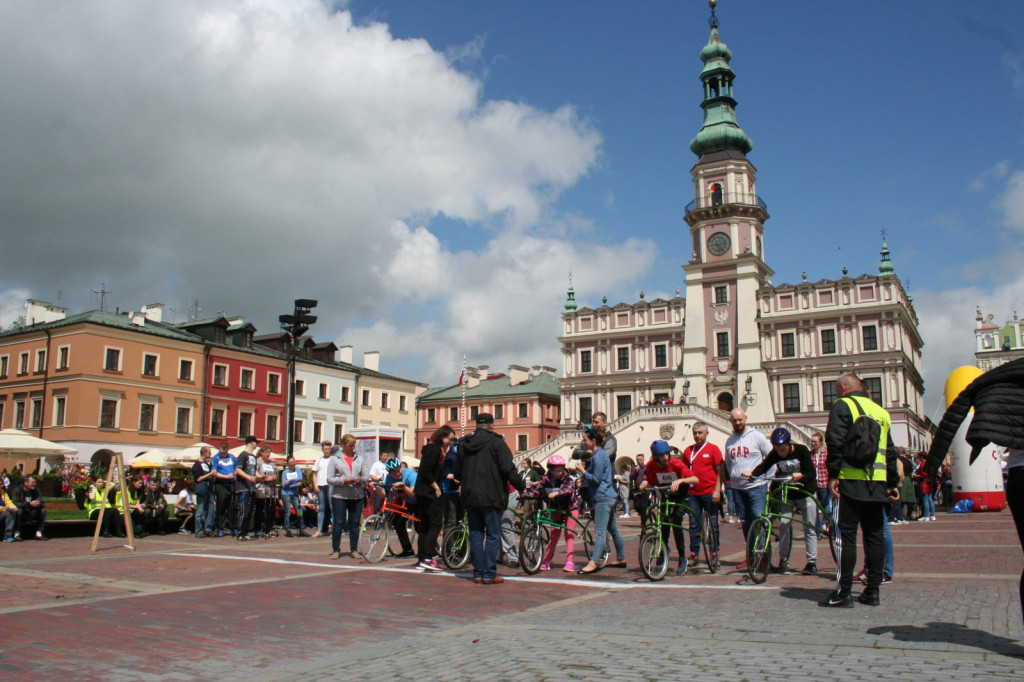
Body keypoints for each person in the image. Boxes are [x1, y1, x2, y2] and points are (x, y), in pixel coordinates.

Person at [819, 373, 899, 608]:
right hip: (878, 484)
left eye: (836, 388)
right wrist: (892, 482)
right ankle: (872, 591)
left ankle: (843, 592)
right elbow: (890, 451)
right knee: (874, 537)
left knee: (846, 537)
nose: (835, 393)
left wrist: (834, 474)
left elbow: (835, 441)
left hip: (851, 481)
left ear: (844, 387)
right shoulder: (881, 412)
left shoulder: (843, 405)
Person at [455, 412, 525, 584]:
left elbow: (457, 472)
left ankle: (478, 572)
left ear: (476, 425)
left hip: (470, 496)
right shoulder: (496, 443)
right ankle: (489, 573)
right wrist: (521, 487)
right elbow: (508, 469)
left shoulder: (464, 445)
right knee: (493, 534)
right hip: (491, 495)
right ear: (492, 425)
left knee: (476, 534)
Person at [743, 427, 818, 575]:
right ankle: (783, 561)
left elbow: (811, 472)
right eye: (777, 449)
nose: (780, 452)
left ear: (789, 444)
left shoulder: (801, 450)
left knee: (809, 527)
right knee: (784, 525)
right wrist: (752, 474)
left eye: (783, 449)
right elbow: (764, 466)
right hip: (788, 493)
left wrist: (801, 475)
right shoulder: (775, 454)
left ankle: (811, 562)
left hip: (805, 491)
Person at [639, 440, 699, 575]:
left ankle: (682, 557)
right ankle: (662, 551)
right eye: (661, 455)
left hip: (680, 496)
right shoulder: (651, 466)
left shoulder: (676, 463)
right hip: (665, 496)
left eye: (667, 454)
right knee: (663, 523)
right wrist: (644, 483)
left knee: (676, 522)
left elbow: (695, 479)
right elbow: (650, 480)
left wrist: (681, 480)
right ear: (655, 457)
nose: (665, 457)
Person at [575, 426, 628, 575]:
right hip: (609, 495)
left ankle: (594, 562)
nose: (583, 442)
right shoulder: (602, 454)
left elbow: (596, 479)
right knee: (613, 529)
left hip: (602, 496)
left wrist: (583, 471)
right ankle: (621, 558)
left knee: (600, 532)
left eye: (585, 439)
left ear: (593, 441)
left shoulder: (598, 456)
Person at [723, 408, 772, 568]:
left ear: (745, 419)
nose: (737, 423)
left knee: (758, 520)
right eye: (734, 421)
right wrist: (734, 477)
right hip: (738, 488)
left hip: (756, 486)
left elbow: (771, 457)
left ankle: (763, 557)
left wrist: (767, 479)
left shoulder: (756, 436)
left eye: (740, 420)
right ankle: (751, 556)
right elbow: (729, 463)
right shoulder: (730, 441)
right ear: (730, 421)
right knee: (745, 523)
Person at [524, 455, 579, 572]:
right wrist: (525, 495)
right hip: (556, 508)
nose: (559, 472)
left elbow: (567, 489)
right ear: (551, 470)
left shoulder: (567, 479)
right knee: (554, 534)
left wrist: (557, 493)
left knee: (569, 533)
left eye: (561, 470)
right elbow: (537, 489)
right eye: (556, 470)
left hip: (570, 508)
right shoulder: (546, 479)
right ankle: (546, 560)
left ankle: (570, 561)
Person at [682, 422, 724, 569]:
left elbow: (720, 470)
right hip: (693, 494)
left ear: (706, 433)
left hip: (710, 492)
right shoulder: (688, 451)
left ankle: (714, 553)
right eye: (695, 433)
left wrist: (718, 490)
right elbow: (684, 471)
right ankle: (694, 553)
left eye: (700, 433)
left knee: (713, 524)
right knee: (694, 524)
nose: (697, 436)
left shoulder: (713, 449)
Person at [413, 425, 453, 572]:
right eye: (450, 438)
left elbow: (435, 471)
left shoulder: (432, 449)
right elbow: (426, 471)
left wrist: (448, 476)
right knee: (435, 524)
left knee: (425, 526)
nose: (451, 442)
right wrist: (436, 487)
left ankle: (422, 558)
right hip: (428, 493)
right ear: (442, 437)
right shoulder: (435, 450)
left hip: (422, 492)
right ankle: (429, 558)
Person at [326, 434, 373, 560]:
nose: (352, 448)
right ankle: (336, 549)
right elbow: (329, 478)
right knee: (338, 523)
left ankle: (354, 549)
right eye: (350, 445)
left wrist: (360, 480)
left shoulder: (359, 458)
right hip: (339, 495)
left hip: (356, 495)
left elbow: (366, 476)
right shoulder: (334, 459)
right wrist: (344, 480)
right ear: (343, 445)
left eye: (353, 445)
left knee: (354, 524)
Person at [382, 456, 417, 559]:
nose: (397, 474)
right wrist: (378, 487)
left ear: (401, 467)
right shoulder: (389, 477)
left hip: (419, 501)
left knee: (421, 526)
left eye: (398, 470)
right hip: (405, 503)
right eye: (393, 473)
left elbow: (414, 494)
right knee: (397, 521)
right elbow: (384, 494)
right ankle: (407, 549)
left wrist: (403, 487)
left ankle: (433, 548)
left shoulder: (411, 475)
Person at [233, 436, 259, 540]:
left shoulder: (253, 457)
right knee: (244, 511)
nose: (257, 444)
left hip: (252, 488)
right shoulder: (243, 455)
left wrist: (261, 477)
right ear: (251, 443)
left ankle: (245, 532)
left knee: (249, 511)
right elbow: (238, 470)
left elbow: (254, 471)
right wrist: (248, 477)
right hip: (243, 487)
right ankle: (240, 532)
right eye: (255, 442)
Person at [211, 442, 237, 536]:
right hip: (221, 484)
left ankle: (233, 527)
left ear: (227, 450)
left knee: (232, 507)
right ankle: (220, 528)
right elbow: (214, 472)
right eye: (221, 452)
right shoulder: (216, 458)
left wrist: (234, 474)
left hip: (232, 484)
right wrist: (226, 477)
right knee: (221, 507)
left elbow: (236, 468)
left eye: (224, 453)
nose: (223, 454)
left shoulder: (232, 457)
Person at [252, 446, 278, 538]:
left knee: (270, 510)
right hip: (260, 489)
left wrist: (273, 477)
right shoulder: (257, 462)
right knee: (260, 509)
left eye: (269, 452)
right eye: (267, 452)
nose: (268, 454)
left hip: (270, 490)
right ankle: (258, 529)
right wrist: (265, 478)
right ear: (261, 452)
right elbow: (256, 474)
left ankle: (268, 529)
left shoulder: (271, 463)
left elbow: (275, 473)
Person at [11, 476, 48, 540]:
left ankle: (39, 533)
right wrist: (28, 504)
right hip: (22, 514)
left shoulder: (36, 490)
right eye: (33, 483)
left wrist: (38, 503)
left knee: (43, 510)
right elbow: (15, 503)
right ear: (26, 483)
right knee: (19, 511)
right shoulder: (17, 490)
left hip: (32, 513)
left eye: (35, 482)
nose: (34, 484)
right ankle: (16, 533)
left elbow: (41, 501)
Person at [809, 431, 832, 533]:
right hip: (813, 484)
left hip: (824, 483)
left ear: (821, 442)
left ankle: (825, 524)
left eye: (815, 442)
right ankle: (818, 530)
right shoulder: (810, 454)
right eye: (812, 441)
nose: (813, 443)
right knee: (814, 508)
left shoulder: (826, 454)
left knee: (826, 507)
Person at [310, 441, 334, 537]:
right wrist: (315, 485)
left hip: (330, 485)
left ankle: (334, 530)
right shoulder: (319, 459)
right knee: (322, 507)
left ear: (330, 449)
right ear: (322, 449)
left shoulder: (333, 459)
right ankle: (319, 530)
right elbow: (314, 473)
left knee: (332, 507)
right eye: (325, 449)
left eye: (328, 449)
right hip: (321, 485)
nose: (326, 451)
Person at [192, 446, 216, 538]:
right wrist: (210, 474)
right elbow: (198, 478)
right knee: (200, 510)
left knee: (211, 510)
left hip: (209, 489)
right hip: (202, 489)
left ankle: (208, 529)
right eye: (209, 452)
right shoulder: (197, 465)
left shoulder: (207, 464)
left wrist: (212, 475)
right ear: (204, 453)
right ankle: (198, 531)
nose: (210, 454)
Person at [280, 455, 305, 537]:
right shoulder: (285, 472)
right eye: (290, 462)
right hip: (286, 494)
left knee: (299, 512)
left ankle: (302, 529)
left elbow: (300, 478)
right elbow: (284, 485)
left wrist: (290, 480)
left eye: (293, 462)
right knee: (287, 513)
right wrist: (295, 483)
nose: (292, 464)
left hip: (295, 494)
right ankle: (288, 530)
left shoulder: (298, 470)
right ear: (288, 463)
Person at [630, 454, 648, 524]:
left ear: (643, 460)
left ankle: (643, 522)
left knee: (643, 506)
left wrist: (646, 477)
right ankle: (644, 516)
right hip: (637, 488)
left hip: (644, 488)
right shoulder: (635, 468)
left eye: (640, 459)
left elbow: (649, 475)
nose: (638, 461)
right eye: (637, 459)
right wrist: (635, 470)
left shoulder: (646, 467)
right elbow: (631, 476)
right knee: (637, 506)